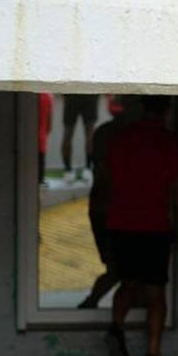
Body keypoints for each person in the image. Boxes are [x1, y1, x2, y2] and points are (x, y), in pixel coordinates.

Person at [103, 96, 178, 356]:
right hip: (154, 227)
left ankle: (116, 327)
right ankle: (153, 354)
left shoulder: (120, 140)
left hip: (121, 224)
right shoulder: (170, 143)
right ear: (166, 111)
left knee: (127, 284)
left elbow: (105, 181)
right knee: (155, 293)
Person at [77, 104, 130, 310]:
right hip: (110, 211)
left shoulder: (104, 132)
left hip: (106, 209)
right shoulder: (115, 135)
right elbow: (106, 173)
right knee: (121, 270)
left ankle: (92, 305)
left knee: (122, 270)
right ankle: (91, 305)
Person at [61, 94, 99, 185]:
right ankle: (87, 168)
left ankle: (68, 170)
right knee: (89, 132)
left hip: (73, 92)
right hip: (89, 91)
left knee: (69, 132)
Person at [38, 92, 54, 187]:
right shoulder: (48, 96)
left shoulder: (30, 96)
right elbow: (49, 123)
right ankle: (41, 178)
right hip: (42, 137)